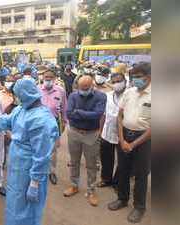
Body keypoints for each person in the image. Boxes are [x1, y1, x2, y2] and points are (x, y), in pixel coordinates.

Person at [0, 78, 58, 225]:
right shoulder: (21, 110)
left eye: (17, 95)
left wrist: (35, 182)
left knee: (27, 210)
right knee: (14, 204)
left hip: (30, 172)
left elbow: (42, 156)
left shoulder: (42, 120)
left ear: (25, 94)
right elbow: (1, 122)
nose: (15, 99)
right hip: (17, 169)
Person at [108, 63, 151, 223]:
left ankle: (139, 207)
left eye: (139, 77)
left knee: (141, 174)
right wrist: (122, 139)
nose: (135, 80)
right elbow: (120, 116)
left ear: (149, 76)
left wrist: (132, 144)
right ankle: (122, 198)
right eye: (133, 77)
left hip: (144, 139)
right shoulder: (129, 92)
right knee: (123, 169)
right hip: (125, 135)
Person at [64, 75, 106, 207]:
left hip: (91, 134)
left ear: (92, 85)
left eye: (86, 88)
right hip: (74, 132)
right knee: (74, 162)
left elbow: (98, 114)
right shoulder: (73, 96)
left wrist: (78, 112)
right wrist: (87, 114)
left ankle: (91, 190)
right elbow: (69, 113)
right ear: (77, 86)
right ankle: (74, 185)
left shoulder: (101, 96)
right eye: (81, 88)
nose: (83, 90)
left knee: (91, 164)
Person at [97, 73, 126, 189]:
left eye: (119, 81)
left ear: (125, 81)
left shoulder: (129, 95)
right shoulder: (108, 96)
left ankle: (117, 181)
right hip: (107, 131)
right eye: (114, 82)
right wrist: (100, 131)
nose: (116, 84)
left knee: (123, 159)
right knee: (106, 157)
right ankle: (106, 179)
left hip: (123, 133)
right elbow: (103, 115)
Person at [40, 68, 67, 185]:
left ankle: (52, 172)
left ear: (55, 79)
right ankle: (40, 171)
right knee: (39, 147)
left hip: (54, 123)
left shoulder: (60, 91)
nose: (48, 80)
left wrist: (65, 121)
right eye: (46, 78)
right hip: (39, 123)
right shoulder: (37, 90)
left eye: (51, 78)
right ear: (43, 78)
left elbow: (64, 107)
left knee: (53, 149)